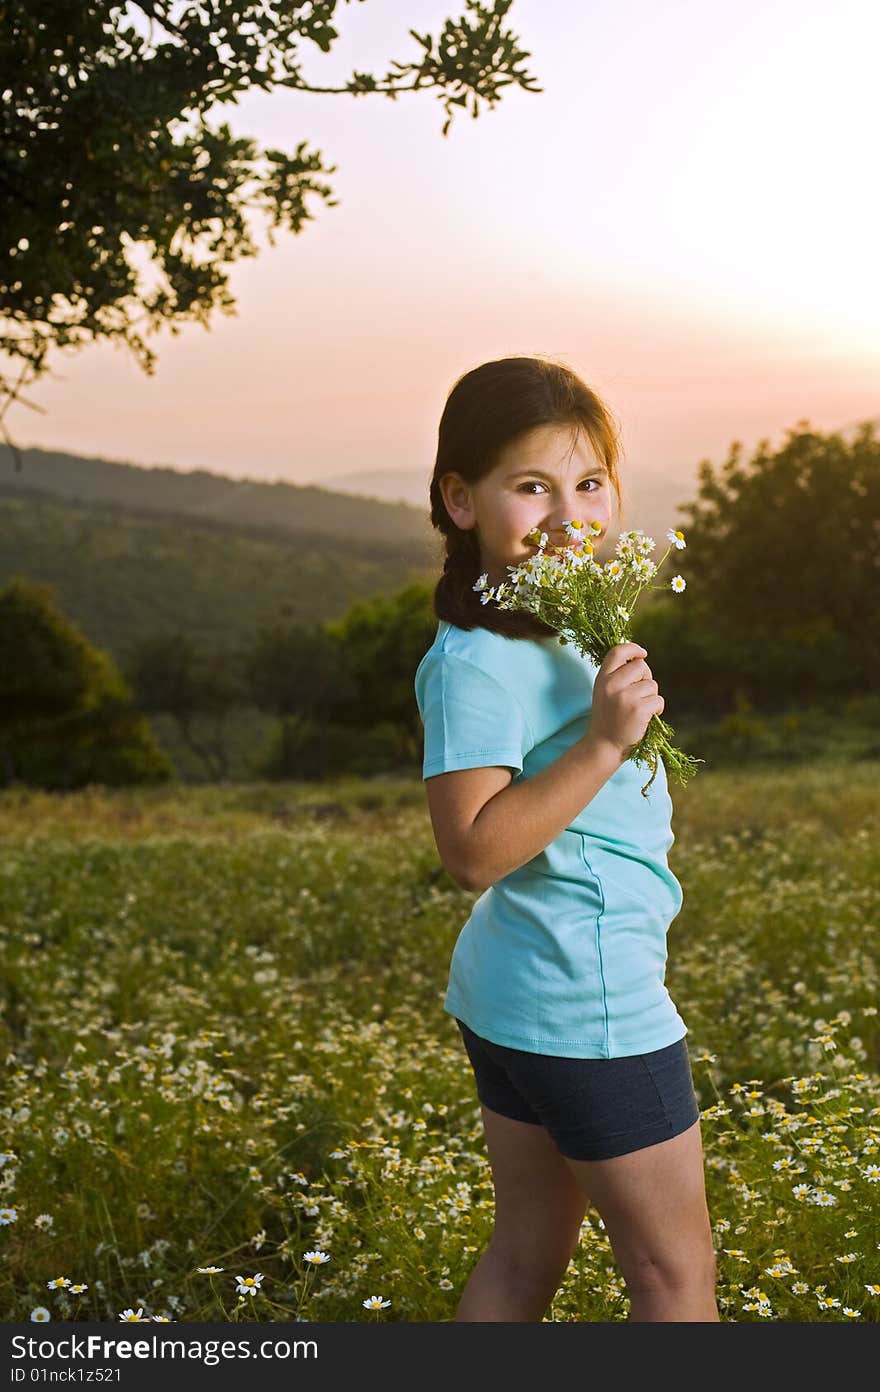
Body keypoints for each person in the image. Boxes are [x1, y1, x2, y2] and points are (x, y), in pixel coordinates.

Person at [413, 355, 719, 1323]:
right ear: (461, 501)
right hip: (583, 1000)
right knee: (675, 1281)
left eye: (588, 484)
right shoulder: (475, 663)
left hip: (523, 988)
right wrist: (601, 741)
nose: (565, 514)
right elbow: (469, 853)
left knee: (523, 1260)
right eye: (530, 487)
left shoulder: (555, 619)